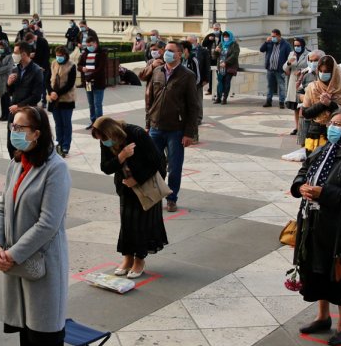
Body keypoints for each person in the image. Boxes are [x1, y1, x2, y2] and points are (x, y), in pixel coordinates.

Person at [0, 106, 70, 346]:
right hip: (14, 262)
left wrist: (14, 254)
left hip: (41, 263)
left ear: (37, 133)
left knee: (45, 335)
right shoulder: (16, 163)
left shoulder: (56, 169)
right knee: (25, 330)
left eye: (21, 127)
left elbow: (48, 224)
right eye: (13, 125)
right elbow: (0, 207)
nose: (15, 131)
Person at [290, 110, 341, 346]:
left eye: (338, 124)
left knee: (340, 273)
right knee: (318, 268)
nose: (333, 128)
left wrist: (324, 193)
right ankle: (323, 316)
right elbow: (304, 171)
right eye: (331, 123)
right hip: (316, 221)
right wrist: (301, 187)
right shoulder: (323, 149)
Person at [92, 116, 168, 278]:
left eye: (104, 138)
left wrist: (137, 178)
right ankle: (127, 258)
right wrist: (122, 156)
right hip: (125, 188)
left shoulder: (136, 134)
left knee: (142, 222)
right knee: (127, 222)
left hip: (146, 186)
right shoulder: (105, 139)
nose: (104, 142)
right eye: (100, 140)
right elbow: (105, 167)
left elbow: (158, 161)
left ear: (112, 132)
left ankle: (139, 260)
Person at [145, 40, 201, 212]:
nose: (166, 53)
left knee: (174, 168)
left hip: (176, 130)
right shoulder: (157, 71)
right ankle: (153, 196)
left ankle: (171, 198)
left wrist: (189, 133)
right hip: (156, 127)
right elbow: (150, 99)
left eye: (171, 51)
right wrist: (148, 124)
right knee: (152, 165)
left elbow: (193, 107)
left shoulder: (187, 75)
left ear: (179, 54)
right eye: (166, 50)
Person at [300, 53, 341, 156]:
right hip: (315, 133)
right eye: (321, 71)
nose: (323, 74)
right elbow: (305, 113)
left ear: (334, 72)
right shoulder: (313, 87)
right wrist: (322, 104)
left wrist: (330, 104)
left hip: (336, 133)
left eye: (327, 72)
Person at [5, 41, 45, 158]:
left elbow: (36, 96)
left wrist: (19, 106)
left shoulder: (36, 71)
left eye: (16, 52)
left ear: (23, 54)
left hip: (26, 113)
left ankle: (25, 170)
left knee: (25, 145)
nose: (14, 55)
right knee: (11, 145)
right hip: (13, 113)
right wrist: (9, 84)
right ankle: (16, 169)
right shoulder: (15, 69)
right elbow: (11, 92)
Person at [47, 45, 77, 157]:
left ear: (65, 55)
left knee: (66, 124)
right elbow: (48, 79)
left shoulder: (71, 66)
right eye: (57, 55)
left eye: (61, 55)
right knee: (57, 124)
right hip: (54, 99)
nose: (58, 57)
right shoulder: (54, 63)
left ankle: (65, 146)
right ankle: (58, 143)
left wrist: (57, 93)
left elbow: (70, 84)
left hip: (66, 99)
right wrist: (51, 92)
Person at [78, 30, 108, 128]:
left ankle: (99, 124)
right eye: (87, 45)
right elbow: (79, 65)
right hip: (88, 83)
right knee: (91, 103)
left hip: (98, 82)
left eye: (90, 45)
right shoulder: (84, 54)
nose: (89, 47)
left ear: (95, 44)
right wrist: (82, 68)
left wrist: (89, 76)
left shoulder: (102, 53)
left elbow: (100, 69)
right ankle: (93, 121)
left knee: (97, 104)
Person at [260, 29, 288, 108]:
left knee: (281, 86)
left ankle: (281, 102)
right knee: (270, 86)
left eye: (274, 36)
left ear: (279, 36)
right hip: (270, 69)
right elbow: (261, 49)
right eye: (272, 36)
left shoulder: (285, 44)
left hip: (280, 70)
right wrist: (266, 42)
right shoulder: (269, 43)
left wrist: (287, 68)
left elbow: (289, 56)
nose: (272, 38)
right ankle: (268, 101)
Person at [214, 31, 241, 105]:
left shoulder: (234, 44)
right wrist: (216, 51)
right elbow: (215, 56)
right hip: (221, 67)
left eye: (227, 36)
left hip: (230, 67)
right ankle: (218, 98)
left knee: (226, 82)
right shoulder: (221, 44)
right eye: (224, 37)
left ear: (230, 37)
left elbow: (234, 55)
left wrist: (226, 62)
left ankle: (224, 98)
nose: (225, 38)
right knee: (220, 82)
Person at [0, 39, 15, 121]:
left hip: (6, 79)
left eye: (2, 47)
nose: (1, 49)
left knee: (7, 99)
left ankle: (8, 115)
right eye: (0, 47)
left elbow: (8, 68)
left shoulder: (9, 56)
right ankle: (3, 115)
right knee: (2, 98)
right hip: (0, 81)